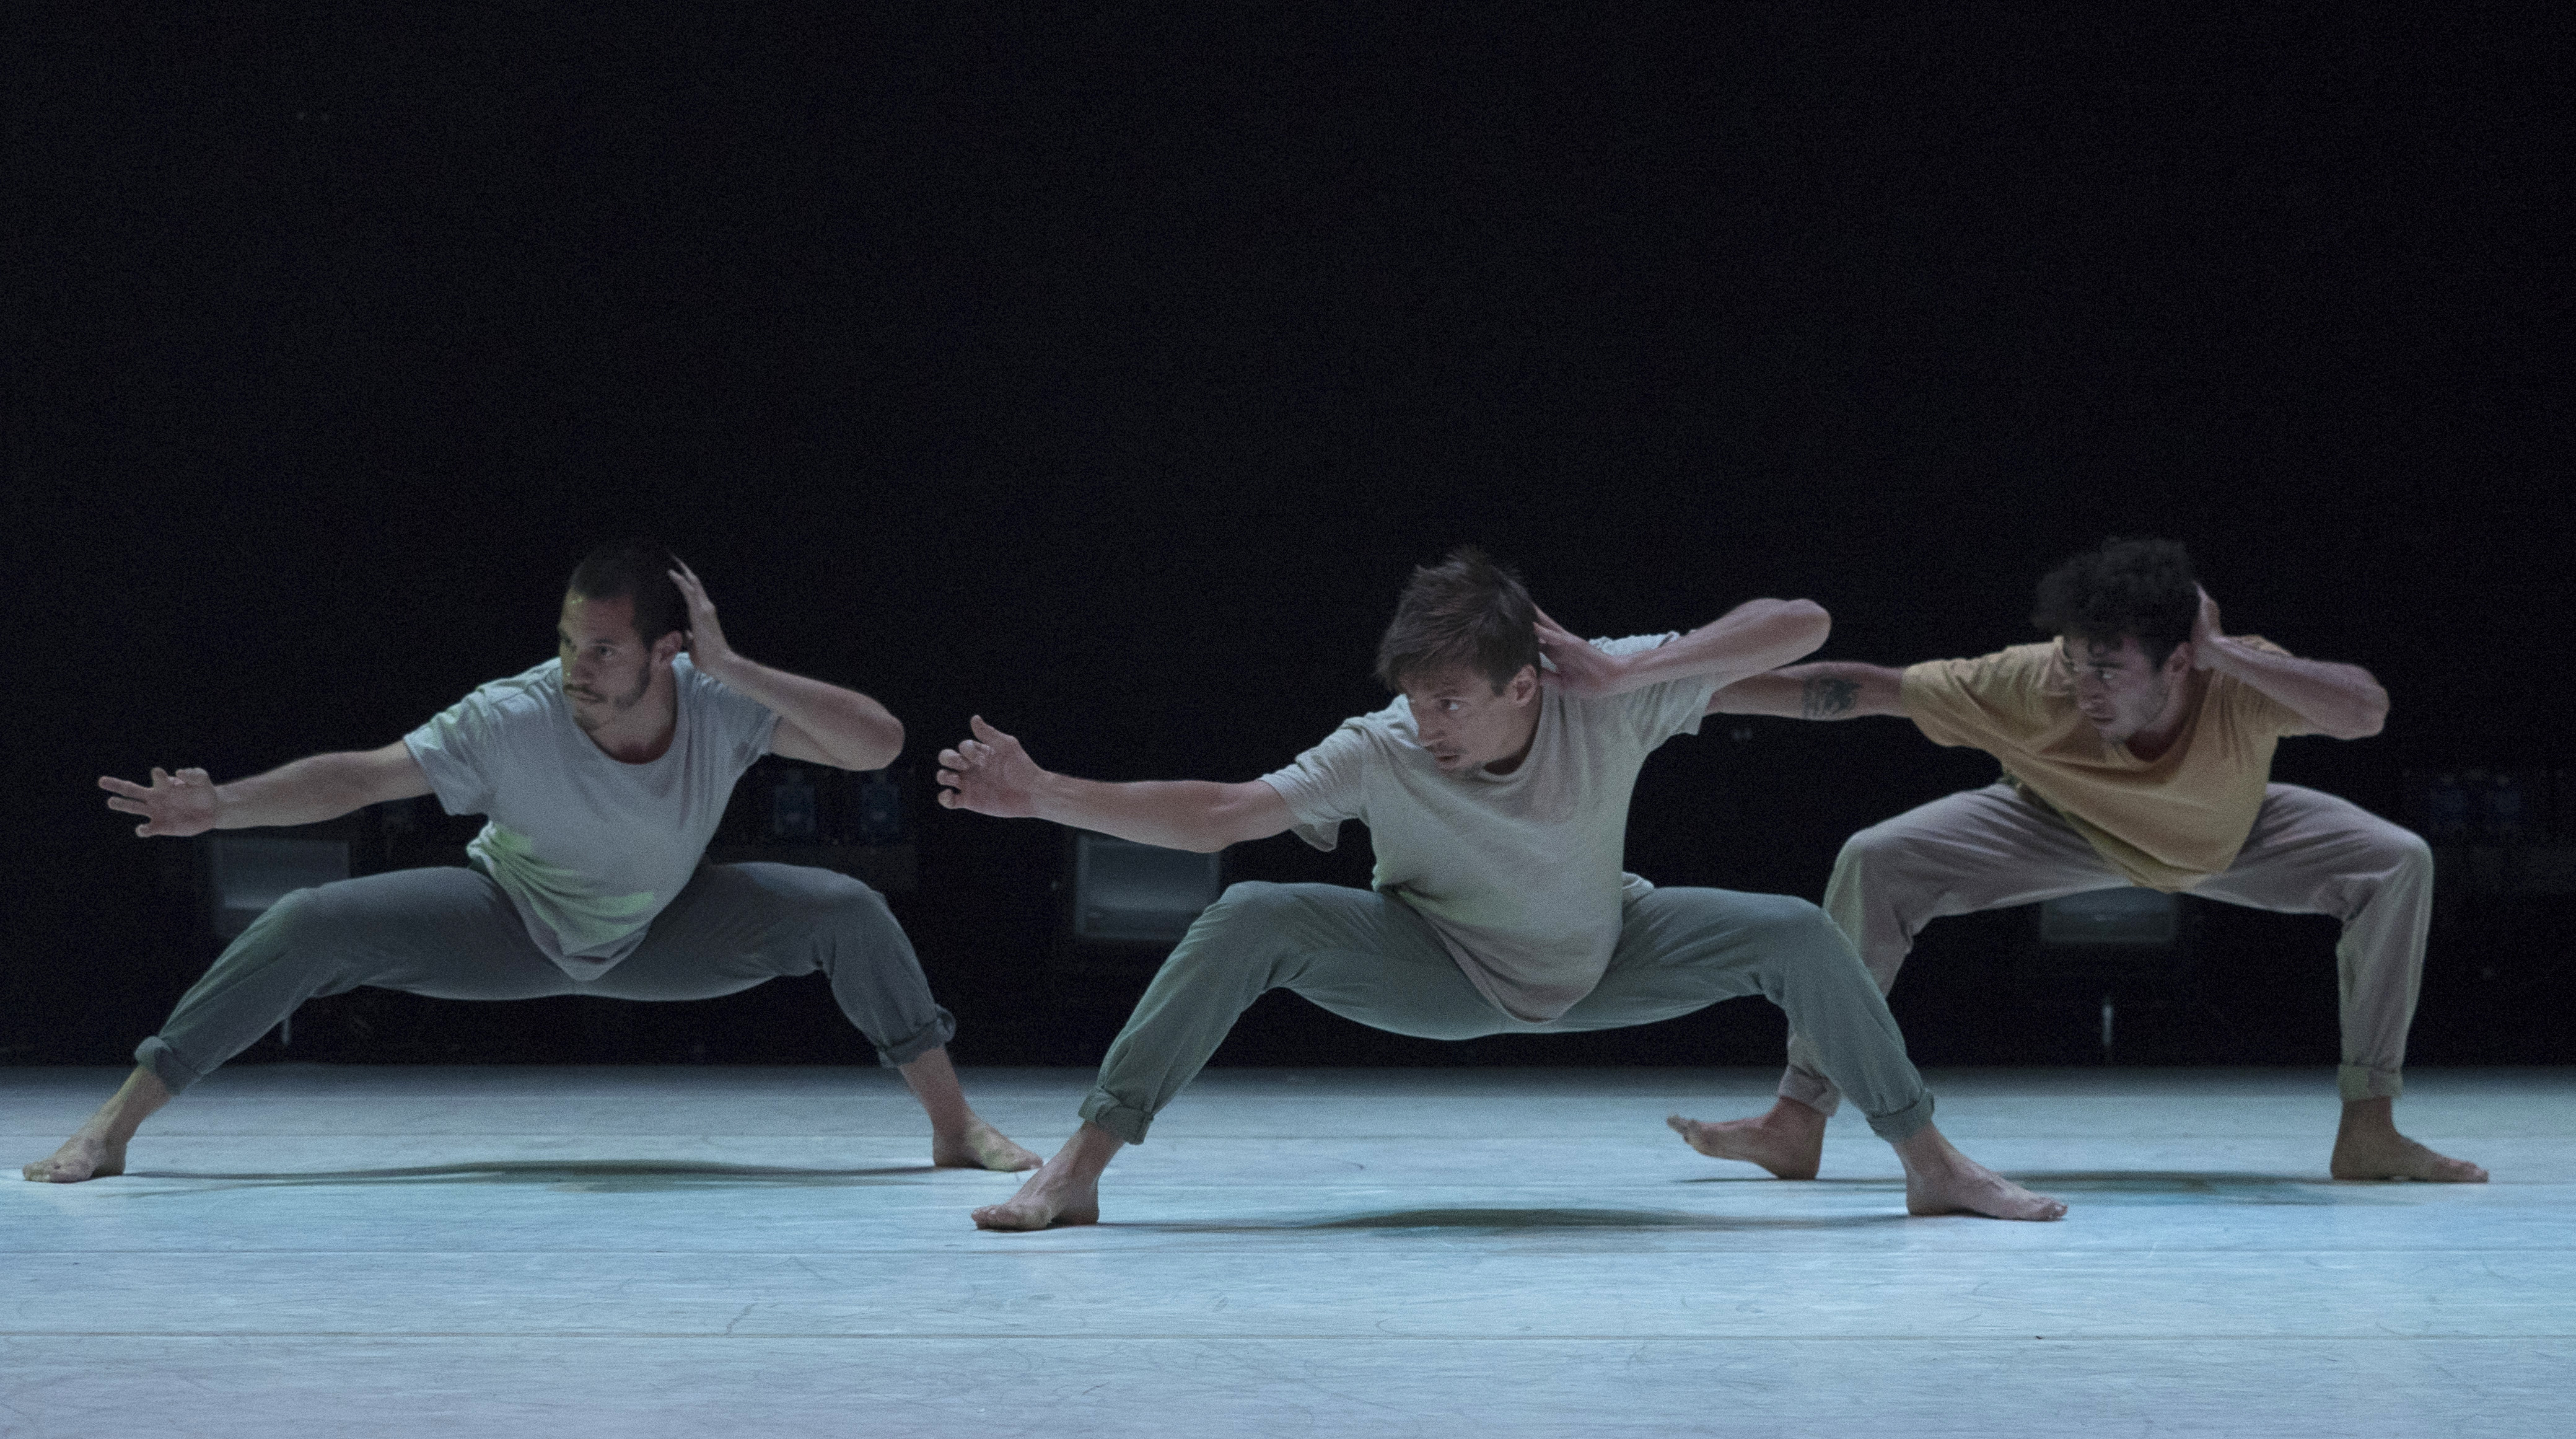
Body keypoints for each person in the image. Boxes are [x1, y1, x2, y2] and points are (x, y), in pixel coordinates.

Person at [936, 547, 2067, 1230]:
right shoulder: (1382, 745)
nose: (1427, 726)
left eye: (1451, 703)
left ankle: (1929, 1165)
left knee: (1798, 932)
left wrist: (1634, 667)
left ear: (1525, 683)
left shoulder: (1604, 693)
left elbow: (1803, 623)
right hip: (1435, 965)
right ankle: (1081, 1167)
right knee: (1249, 913)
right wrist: (1044, 795)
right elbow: (1223, 813)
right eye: (1415, 700)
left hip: (1604, 950)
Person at [26, 539, 1038, 1183]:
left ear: (668, 652)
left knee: (846, 909)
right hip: (505, 920)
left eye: (602, 650)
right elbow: (361, 777)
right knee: (304, 921)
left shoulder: (719, 704)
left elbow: (877, 744)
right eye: (566, 643)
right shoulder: (510, 716)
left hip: (666, 928)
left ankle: (953, 1127)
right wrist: (223, 806)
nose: (575, 668)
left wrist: (733, 666)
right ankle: (115, 1127)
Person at [1689, 537, 2483, 1184]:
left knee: (2396, 861)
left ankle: (2370, 1127)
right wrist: (1700, 693)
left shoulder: (2234, 679)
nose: (2086, 688)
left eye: (2109, 669)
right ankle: (1797, 1118)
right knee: (1877, 858)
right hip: (2056, 825)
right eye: (2076, 661)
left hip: (2230, 834)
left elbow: (2365, 710)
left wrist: (2221, 651)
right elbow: (1867, 689)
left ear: (2180, 663)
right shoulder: (2035, 683)